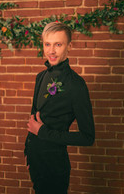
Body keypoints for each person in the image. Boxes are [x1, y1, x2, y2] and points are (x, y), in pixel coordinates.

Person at [24, 22, 95, 194]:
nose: (51, 51)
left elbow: (88, 137)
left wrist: (42, 132)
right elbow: (37, 117)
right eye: (47, 44)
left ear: (69, 46)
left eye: (58, 44)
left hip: (55, 165)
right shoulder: (40, 76)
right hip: (35, 159)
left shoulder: (76, 85)